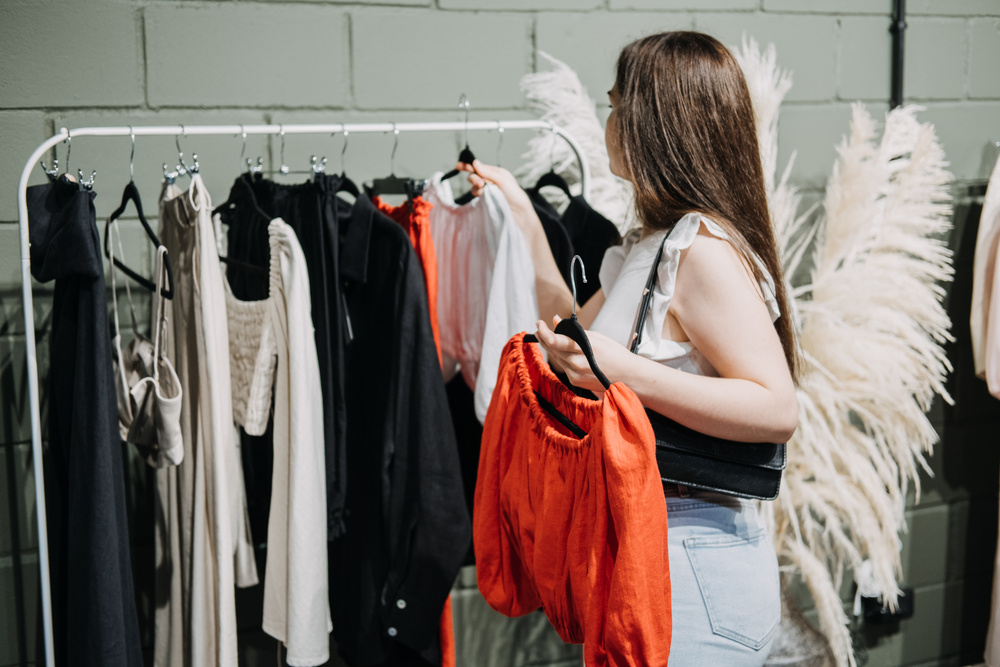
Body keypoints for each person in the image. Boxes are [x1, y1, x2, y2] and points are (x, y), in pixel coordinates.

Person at [458, 31, 798, 666]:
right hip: (649, 551)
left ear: (654, 122)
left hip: (692, 562)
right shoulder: (650, 244)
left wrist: (625, 373)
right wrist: (520, 213)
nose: (609, 120)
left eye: (616, 105)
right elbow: (567, 333)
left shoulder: (700, 250)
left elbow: (777, 408)